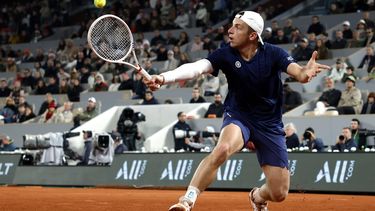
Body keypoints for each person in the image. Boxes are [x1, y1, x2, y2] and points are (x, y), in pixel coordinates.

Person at [144, 10, 330, 211]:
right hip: (239, 115)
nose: (230, 31)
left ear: (252, 35)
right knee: (222, 148)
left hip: (269, 124)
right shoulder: (225, 53)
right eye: (232, 25)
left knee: (279, 193)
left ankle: (257, 197)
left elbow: (300, 73)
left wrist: (306, 72)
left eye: (238, 27)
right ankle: (187, 200)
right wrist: (164, 77)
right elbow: (197, 67)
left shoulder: (274, 53)